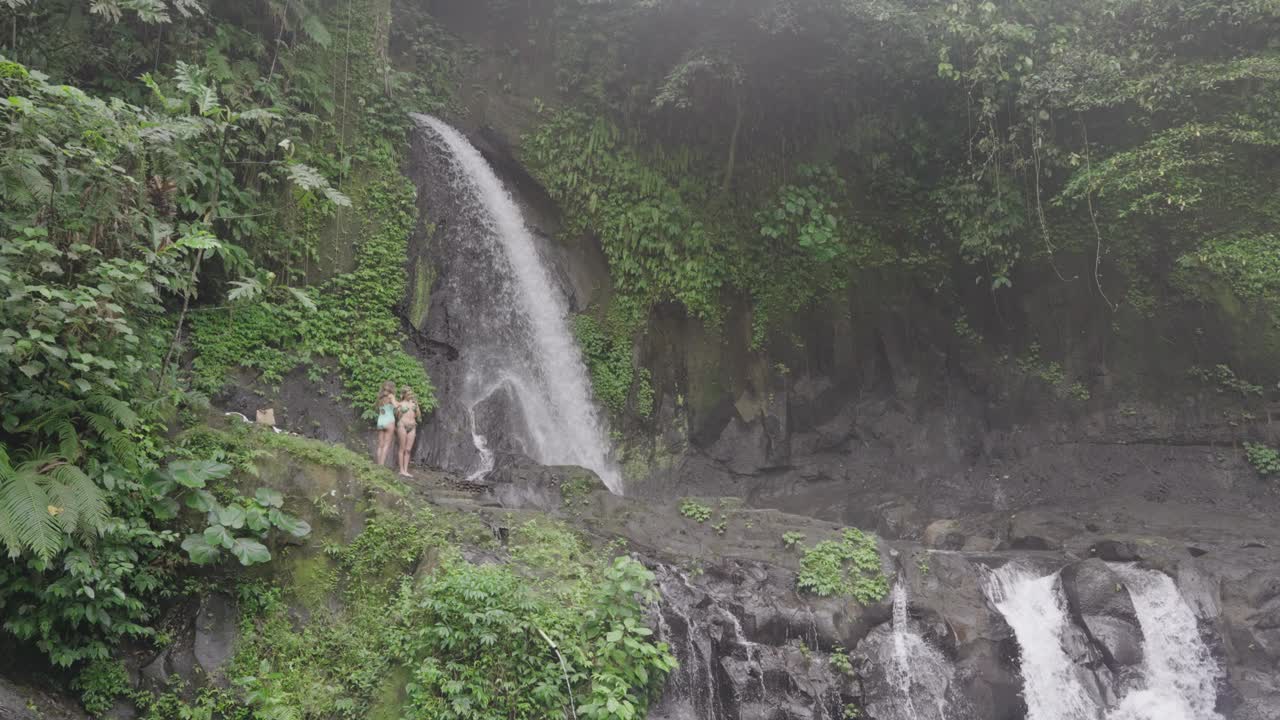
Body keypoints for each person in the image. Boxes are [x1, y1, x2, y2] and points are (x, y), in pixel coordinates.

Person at [395, 386, 422, 478]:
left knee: (408, 449)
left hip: (412, 426)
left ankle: (406, 470)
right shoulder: (400, 404)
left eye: (411, 393)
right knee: (402, 448)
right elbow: (397, 416)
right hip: (402, 425)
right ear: (404, 394)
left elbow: (418, 416)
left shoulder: (414, 404)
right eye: (409, 393)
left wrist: (417, 405)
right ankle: (401, 470)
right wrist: (400, 411)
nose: (411, 395)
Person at [374, 381, 398, 467]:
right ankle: (381, 466)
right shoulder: (391, 396)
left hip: (380, 421)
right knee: (386, 445)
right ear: (392, 388)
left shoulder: (380, 397)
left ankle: (377, 465)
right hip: (389, 421)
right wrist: (399, 404)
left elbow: (377, 408)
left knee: (380, 445)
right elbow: (395, 406)